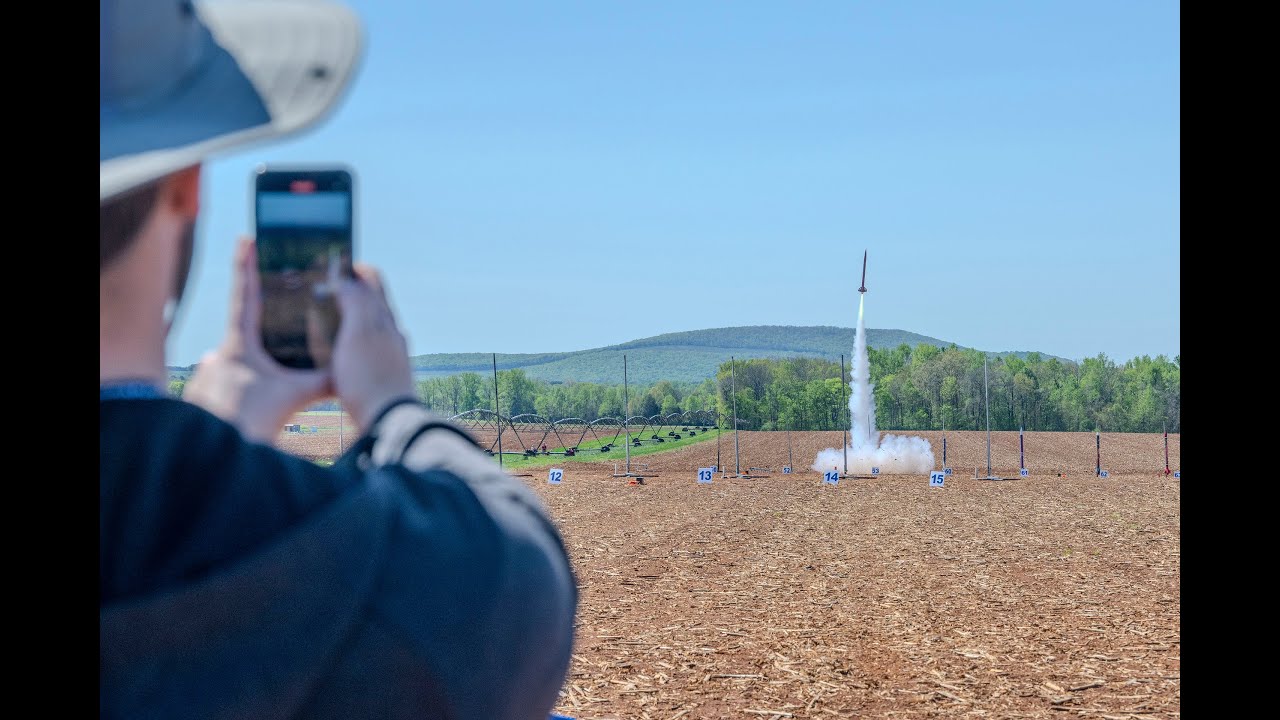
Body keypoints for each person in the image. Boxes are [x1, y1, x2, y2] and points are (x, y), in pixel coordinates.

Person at [100, 1, 577, 718]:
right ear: (186, 182)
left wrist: (211, 428)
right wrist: (394, 409)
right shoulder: (366, 570)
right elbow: (522, 588)